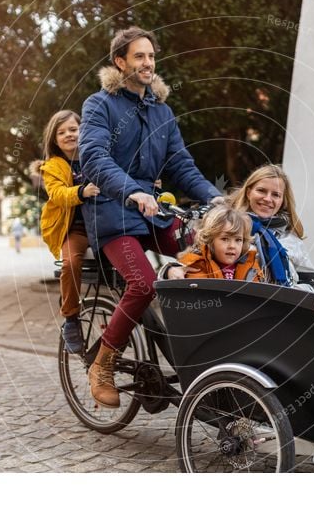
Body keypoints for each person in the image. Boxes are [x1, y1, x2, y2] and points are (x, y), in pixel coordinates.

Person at [80, 26, 221, 408]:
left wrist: (217, 199)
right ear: (120, 62)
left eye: (152, 56)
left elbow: (180, 165)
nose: (148, 63)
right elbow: (94, 158)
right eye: (139, 56)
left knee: (208, 260)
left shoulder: (162, 111)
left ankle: (205, 361)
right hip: (113, 213)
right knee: (142, 284)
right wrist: (132, 190)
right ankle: (102, 364)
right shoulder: (100, 105)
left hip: (155, 213)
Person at [230, 164, 314, 286]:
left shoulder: (290, 239)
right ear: (248, 192)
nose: (268, 199)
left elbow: (309, 280)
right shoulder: (227, 227)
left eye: (276, 195)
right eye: (261, 191)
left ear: (282, 201)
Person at [37, 110, 100, 353]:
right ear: (54, 139)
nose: (69, 135)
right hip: (75, 229)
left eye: (73, 129)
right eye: (61, 132)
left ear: (83, 130)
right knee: (70, 263)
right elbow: (57, 194)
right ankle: (71, 318)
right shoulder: (53, 166)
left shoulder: (94, 155)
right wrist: (81, 192)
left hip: (102, 225)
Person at [163, 205, 262, 282]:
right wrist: (169, 271)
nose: (232, 246)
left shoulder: (251, 265)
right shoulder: (195, 263)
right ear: (210, 240)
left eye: (238, 240)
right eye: (225, 239)